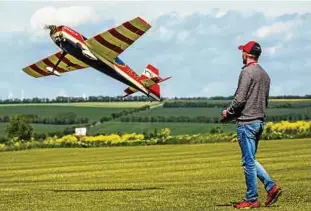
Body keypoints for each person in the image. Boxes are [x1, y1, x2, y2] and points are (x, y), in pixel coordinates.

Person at [222, 41, 282, 209]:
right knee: (251, 160)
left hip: (247, 123)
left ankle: (252, 199)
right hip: (259, 122)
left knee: (248, 162)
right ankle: (271, 187)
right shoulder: (265, 74)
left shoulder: (247, 72)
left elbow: (240, 99)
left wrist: (228, 112)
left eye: (242, 52)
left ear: (247, 54)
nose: (241, 54)